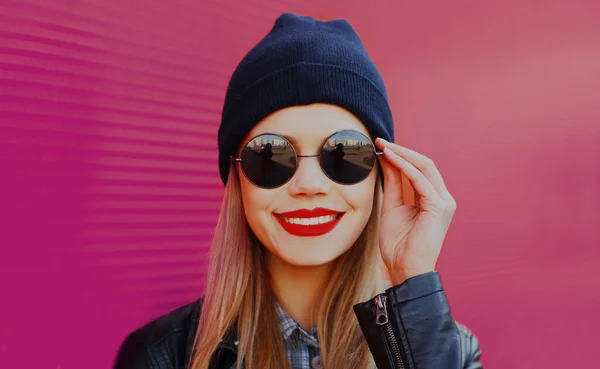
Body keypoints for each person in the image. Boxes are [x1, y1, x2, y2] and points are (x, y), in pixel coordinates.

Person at [113, 12, 482, 369]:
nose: (309, 185)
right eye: (271, 155)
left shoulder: (449, 350)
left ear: (382, 174)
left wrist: (412, 281)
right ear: (237, 178)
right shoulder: (160, 357)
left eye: (344, 154)